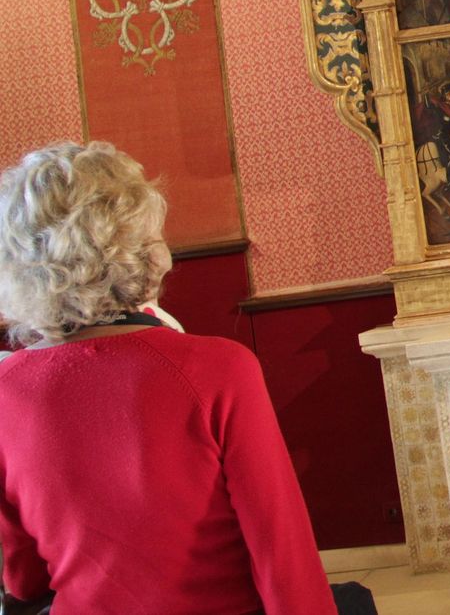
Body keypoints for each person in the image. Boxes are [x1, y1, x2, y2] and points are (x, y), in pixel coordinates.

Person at [0, 141, 369, 614]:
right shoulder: (219, 368)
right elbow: (282, 552)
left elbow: (26, 579)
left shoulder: (8, 389)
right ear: (141, 250)